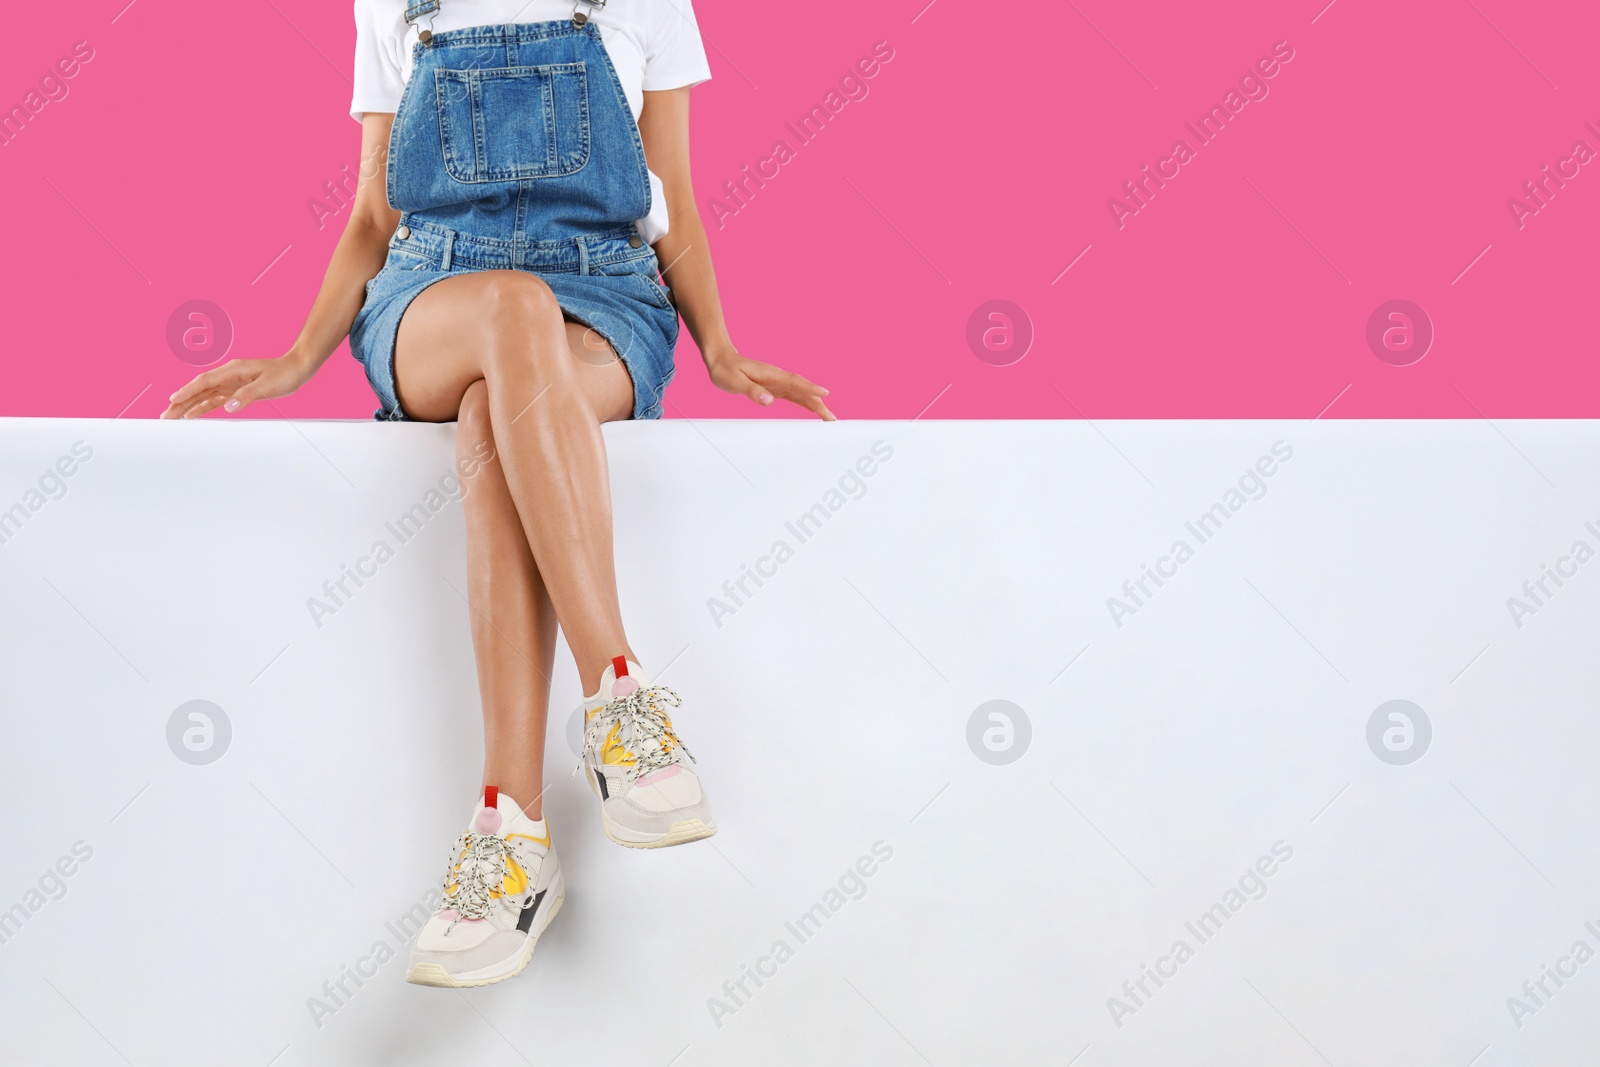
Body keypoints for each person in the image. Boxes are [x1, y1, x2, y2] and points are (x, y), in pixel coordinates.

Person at [161, 0, 834, 988]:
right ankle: (619, 693)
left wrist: (721, 349)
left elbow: (676, 204)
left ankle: (511, 831)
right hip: (436, 290)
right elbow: (372, 218)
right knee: (509, 312)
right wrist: (297, 358)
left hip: (605, 292)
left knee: (494, 419)